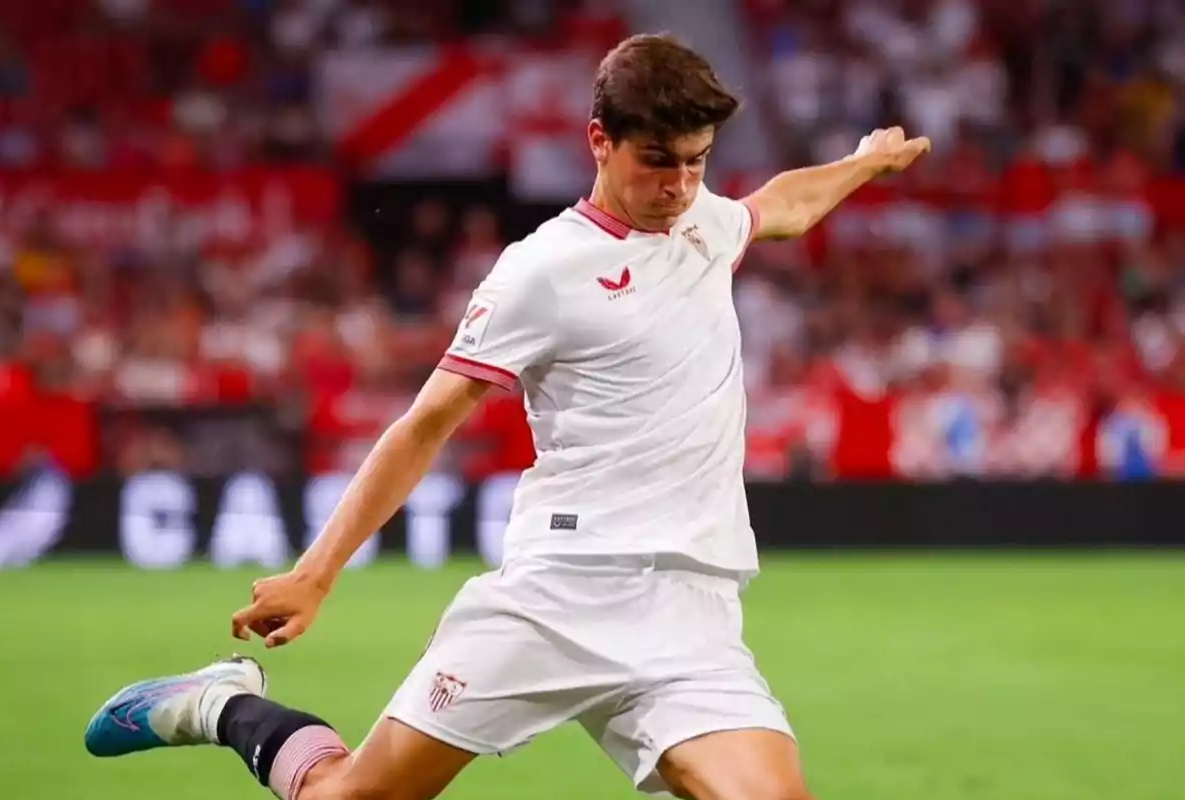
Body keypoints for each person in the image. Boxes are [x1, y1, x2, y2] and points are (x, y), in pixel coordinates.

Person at [84, 33, 929, 800]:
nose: (678, 186)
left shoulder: (702, 221)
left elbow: (781, 206)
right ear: (600, 140)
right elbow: (423, 426)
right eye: (658, 161)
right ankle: (222, 705)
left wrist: (863, 162)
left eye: (698, 162)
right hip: (560, 596)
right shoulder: (544, 271)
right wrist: (318, 570)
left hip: (691, 613)